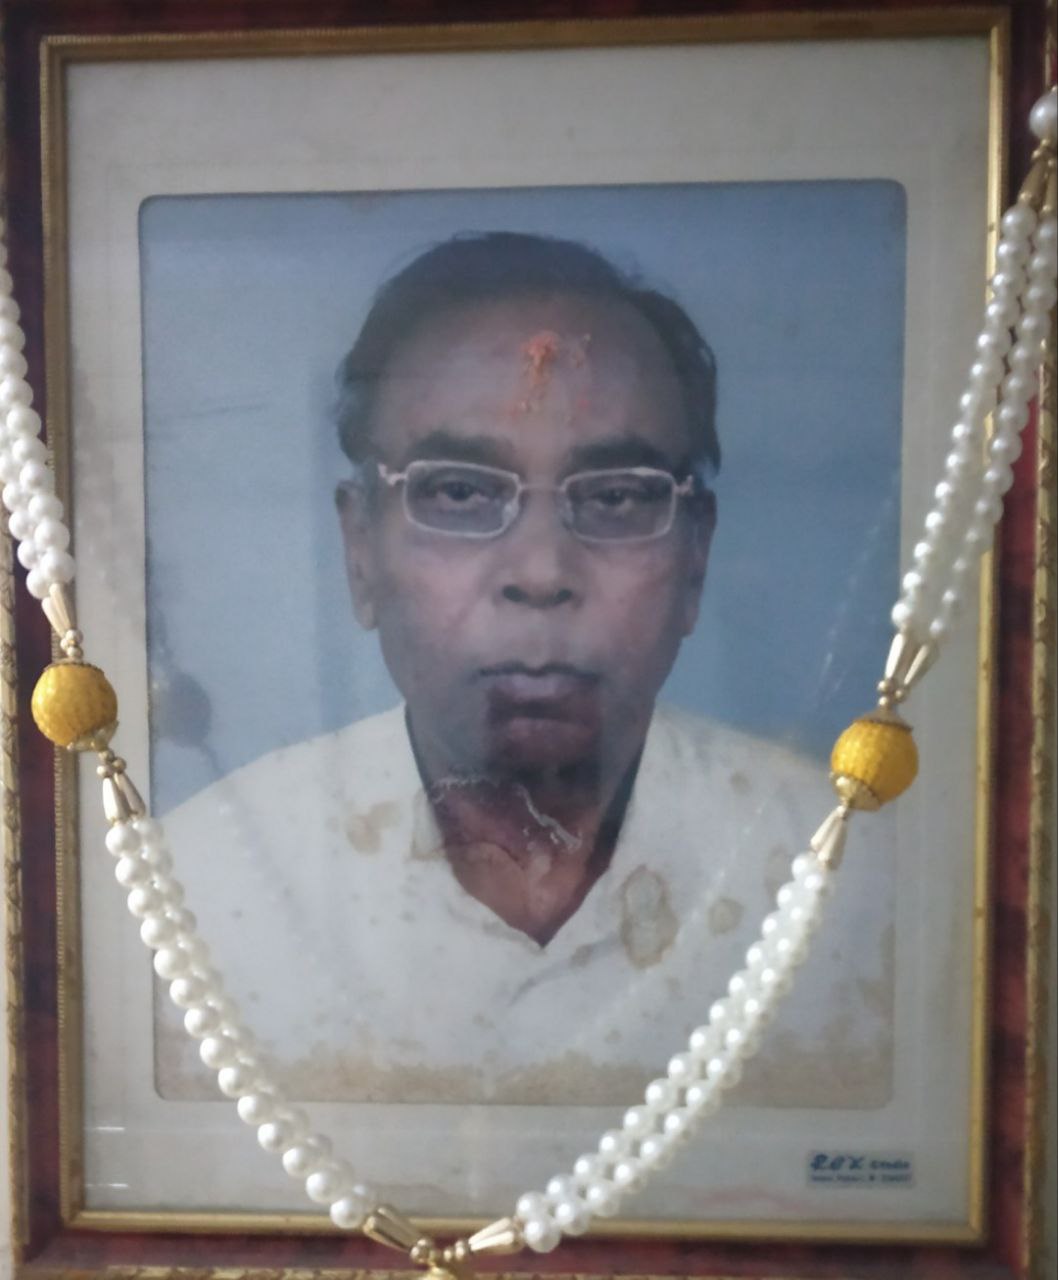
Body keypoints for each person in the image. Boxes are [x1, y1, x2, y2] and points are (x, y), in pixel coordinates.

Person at [160, 233, 894, 1108]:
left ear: (695, 560)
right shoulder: (196, 893)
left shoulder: (857, 889)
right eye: (460, 493)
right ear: (361, 552)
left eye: (616, 496)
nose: (542, 571)